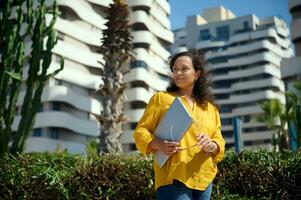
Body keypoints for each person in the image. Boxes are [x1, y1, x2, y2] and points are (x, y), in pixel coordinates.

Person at [133, 51, 225, 200]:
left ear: (197, 74)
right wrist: (158, 144)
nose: (178, 73)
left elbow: (218, 140)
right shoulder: (161, 99)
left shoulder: (210, 109)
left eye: (184, 68)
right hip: (172, 177)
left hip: (204, 178)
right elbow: (140, 131)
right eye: (175, 69)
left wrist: (212, 145)